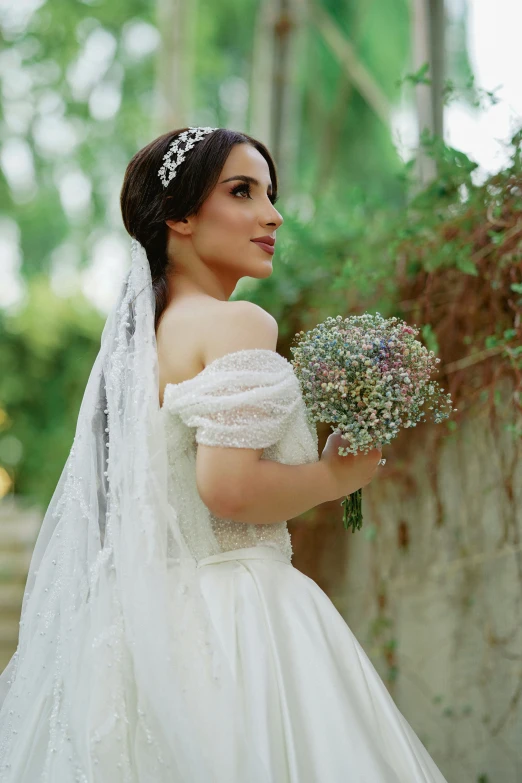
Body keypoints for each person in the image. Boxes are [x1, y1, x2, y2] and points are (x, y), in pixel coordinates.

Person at [0, 127, 449, 781]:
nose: (273, 214)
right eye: (243, 191)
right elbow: (229, 487)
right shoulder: (238, 322)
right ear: (179, 216)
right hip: (236, 619)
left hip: (136, 633)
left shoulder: (142, 342)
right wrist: (332, 475)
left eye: (270, 193)